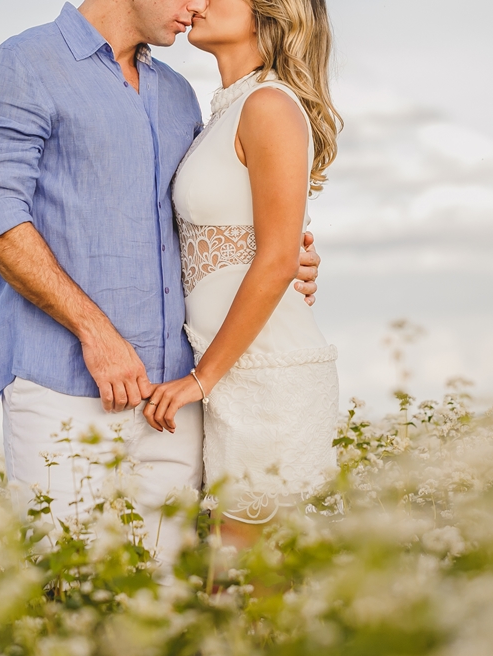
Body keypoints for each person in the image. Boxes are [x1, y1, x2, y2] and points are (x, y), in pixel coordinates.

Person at [0, 0, 321, 568]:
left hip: (173, 396)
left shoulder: (178, 94)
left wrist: (285, 257)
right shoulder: (24, 65)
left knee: (164, 600)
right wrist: (95, 333)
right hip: (62, 381)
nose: (198, 4)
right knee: (68, 588)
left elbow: (207, 220)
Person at [141, 0, 341, 548]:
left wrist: (200, 379)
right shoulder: (225, 112)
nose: (197, 2)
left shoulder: (269, 104)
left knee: (246, 589)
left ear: (268, 14)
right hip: (231, 374)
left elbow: (276, 259)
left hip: (266, 377)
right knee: (230, 589)